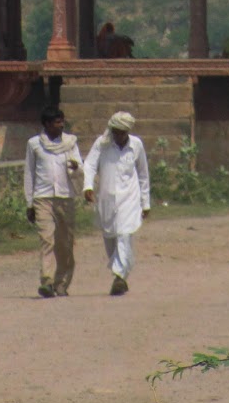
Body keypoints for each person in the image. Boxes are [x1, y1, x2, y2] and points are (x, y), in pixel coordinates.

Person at [82, 109, 150, 295]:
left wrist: (146, 203)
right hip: (106, 199)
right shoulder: (102, 144)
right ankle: (121, 273)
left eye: (122, 133)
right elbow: (89, 164)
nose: (119, 136)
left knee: (124, 235)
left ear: (127, 132)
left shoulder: (136, 145)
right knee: (110, 237)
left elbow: (143, 174)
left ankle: (119, 277)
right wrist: (87, 186)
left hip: (130, 198)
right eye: (116, 132)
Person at [23, 106, 82, 298]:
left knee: (65, 243)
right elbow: (29, 173)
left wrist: (75, 167)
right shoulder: (34, 144)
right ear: (47, 124)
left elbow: (79, 168)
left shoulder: (70, 143)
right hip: (43, 197)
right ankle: (47, 281)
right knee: (47, 240)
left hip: (65, 197)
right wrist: (29, 203)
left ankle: (62, 283)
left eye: (62, 121)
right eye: (57, 122)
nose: (61, 125)